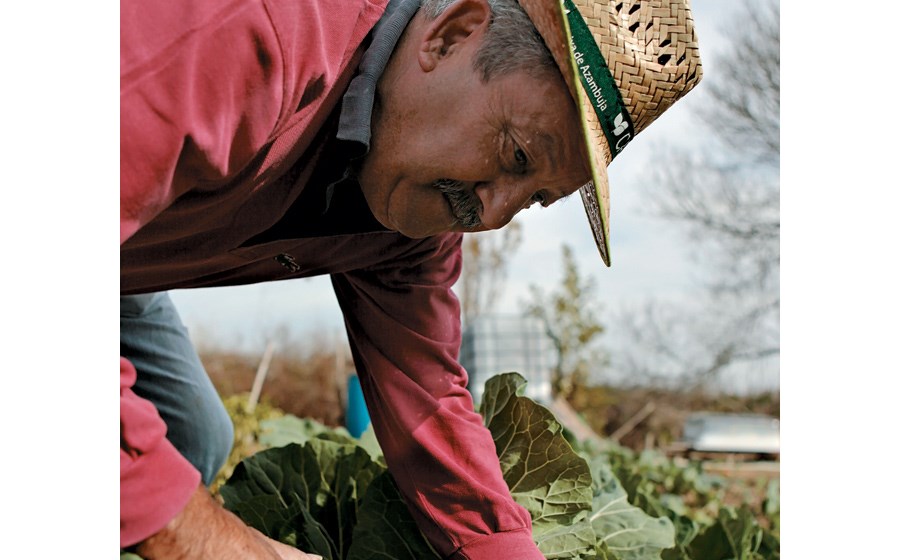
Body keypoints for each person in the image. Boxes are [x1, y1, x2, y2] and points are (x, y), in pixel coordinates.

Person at [120, 0, 703, 558]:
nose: (492, 216)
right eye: (517, 156)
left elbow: (428, 404)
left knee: (189, 435)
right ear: (448, 35)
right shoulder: (257, 30)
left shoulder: (411, 229)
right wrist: (214, 542)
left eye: (535, 200)